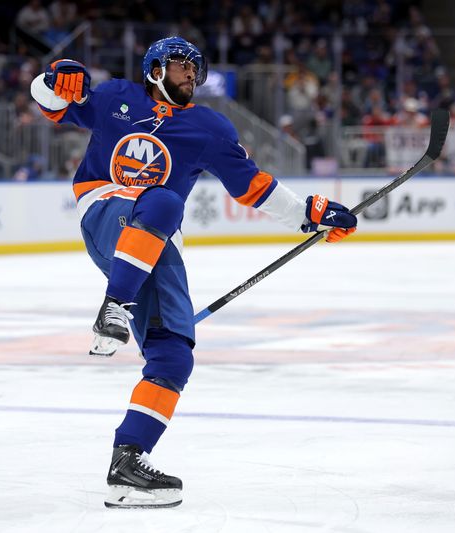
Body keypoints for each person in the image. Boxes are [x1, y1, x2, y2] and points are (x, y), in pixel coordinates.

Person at [30, 36, 357, 509]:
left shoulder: (209, 127)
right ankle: (114, 307)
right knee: (164, 198)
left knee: (173, 357)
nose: (191, 75)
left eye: (195, 70)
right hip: (106, 211)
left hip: (156, 244)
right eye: (183, 65)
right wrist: (55, 76)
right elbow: (50, 101)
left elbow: (256, 189)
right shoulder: (115, 97)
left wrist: (311, 213)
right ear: (156, 69)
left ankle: (127, 464)